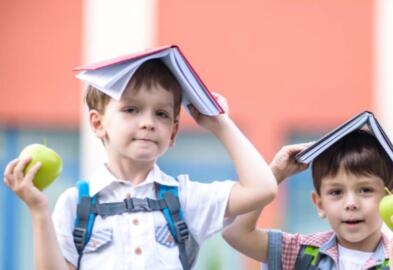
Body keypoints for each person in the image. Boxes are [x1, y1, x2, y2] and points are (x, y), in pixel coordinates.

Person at [3, 59, 277, 269]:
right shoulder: (76, 203)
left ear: (173, 132)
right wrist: (38, 209)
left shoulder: (184, 198)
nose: (148, 122)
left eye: (161, 114)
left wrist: (219, 123)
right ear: (98, 123)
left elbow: (262, 188)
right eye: (131, 109)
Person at [222, 130, 393, 270]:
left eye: (365, 190)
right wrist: (275, 174)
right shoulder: (300, 252)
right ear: (320, 204)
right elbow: (236, 233)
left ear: (389, 197)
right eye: (336, 193)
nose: (351, 203)